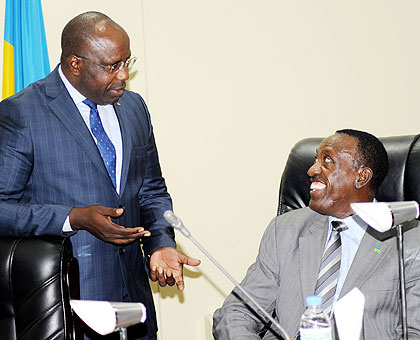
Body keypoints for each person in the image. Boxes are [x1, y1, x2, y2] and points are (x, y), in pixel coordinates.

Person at [0, 11, 200, 340]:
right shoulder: (22, 113)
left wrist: (161, 244)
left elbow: (151, 192)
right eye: (110, 66)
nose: (123, 75)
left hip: (133, 306)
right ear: (75, 63)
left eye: (126, 61)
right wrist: (73, 218)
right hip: (65, 306)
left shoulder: (134, 108)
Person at [213, 129, 420, 339]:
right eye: (315, 159)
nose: (312, 170)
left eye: (327, 160)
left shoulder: (409, 239)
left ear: (361, 176)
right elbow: (235, 314)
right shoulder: (285, 230)